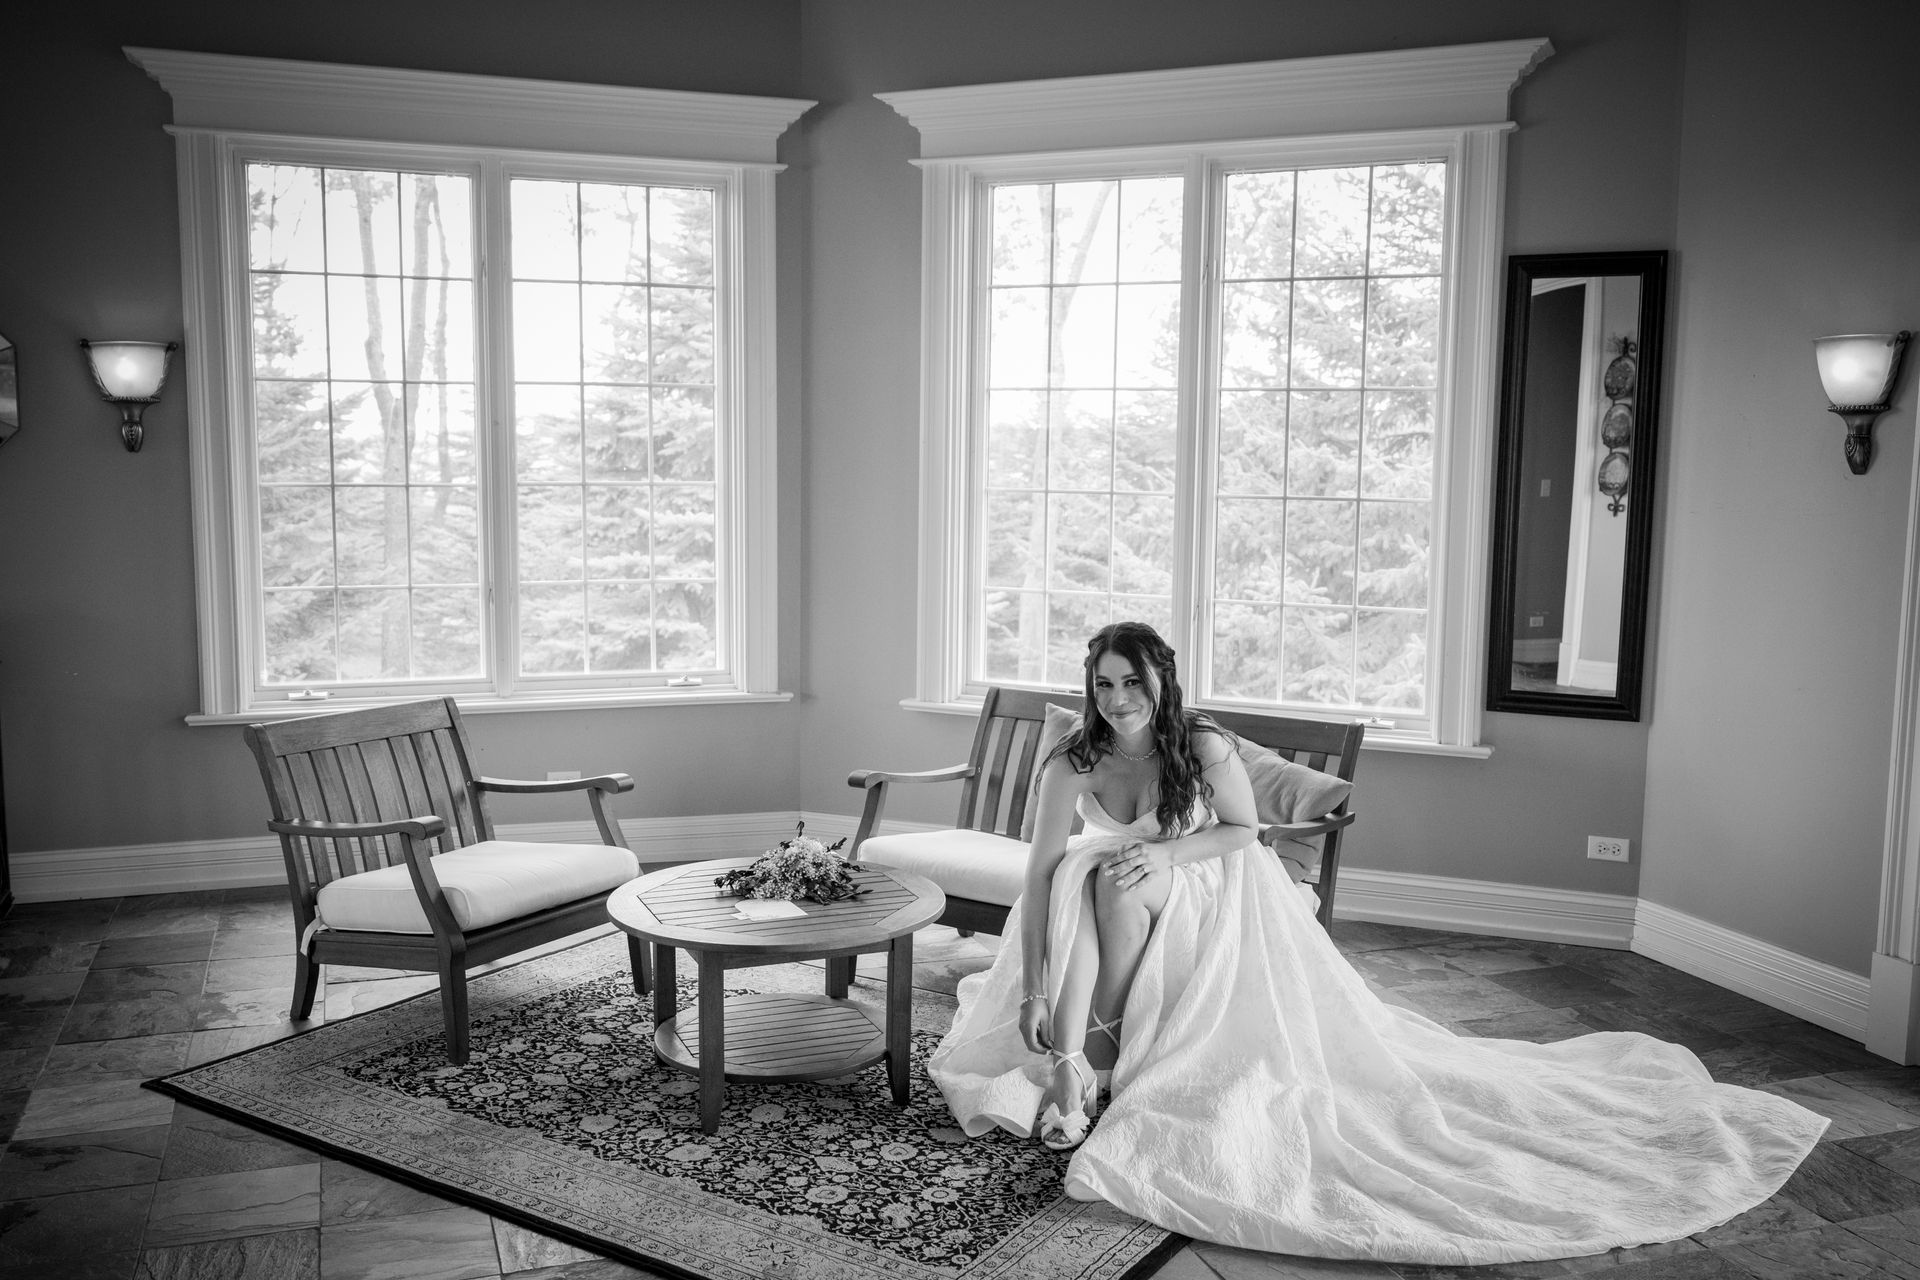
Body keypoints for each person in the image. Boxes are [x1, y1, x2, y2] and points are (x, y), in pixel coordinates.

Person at [927, 621, 1827, 1266]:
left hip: (1199, 873)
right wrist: (1035, 990)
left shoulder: (1198, 743)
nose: (1117, 700)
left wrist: (1158, 846)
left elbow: (1243, 833)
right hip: (1107, 891)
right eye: (1103, 684)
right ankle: (1077, 1054)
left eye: (1132, 682)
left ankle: (1081, 1063)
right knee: (1088, 878)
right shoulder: (1073, 759)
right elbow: (1045, 872)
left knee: (1107, 877)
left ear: (1160, 682)